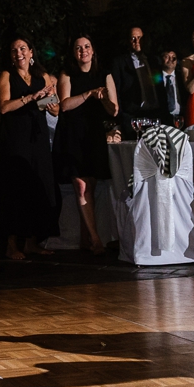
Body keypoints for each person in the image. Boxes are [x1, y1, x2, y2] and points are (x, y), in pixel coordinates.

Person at [0, 37, 60, 260]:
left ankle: (32, 241)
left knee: (38, 185)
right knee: (15, 188)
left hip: (37, 137)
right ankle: (12, 244)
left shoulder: (43, 76)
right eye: (14, 50)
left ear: (31, 52)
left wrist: (49, 105)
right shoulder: (6, 75)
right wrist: (30, 97)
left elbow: (55, 109)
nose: (18, 53)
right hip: (15, 138)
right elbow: (3, 107)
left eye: (22, 49)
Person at [56, 35, 118, 255]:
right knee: (81, 187)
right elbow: (64, 105)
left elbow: (114, 109)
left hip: (93, 134)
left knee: (90, 187)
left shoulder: (104, 74)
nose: (83, 50)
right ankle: (96, 239)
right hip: (72, 134)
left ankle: (85, 239)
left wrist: (101, 98)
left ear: (93, 50)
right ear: (74, 52)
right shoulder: (67, 74)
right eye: (78, 47)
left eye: (87, 46)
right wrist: (89, 94)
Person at [110, 26, 162, 124]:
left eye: (139, 38)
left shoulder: (154, 60)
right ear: (128, 41)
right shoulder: (119, 63)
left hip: (156, 114)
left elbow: (160, 85)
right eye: (133, 38)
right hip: (133, 115)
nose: (137, 41)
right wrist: (122, 116)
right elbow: (116, 90)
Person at [158, 48, 184, 127]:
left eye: (173, 57)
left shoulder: (181, 78)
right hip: (162, 120)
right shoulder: (155, 78)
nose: (170, 59)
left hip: (180, 119)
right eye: (167, 56)